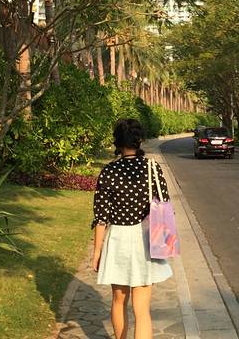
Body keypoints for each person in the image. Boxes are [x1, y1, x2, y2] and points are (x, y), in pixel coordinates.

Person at [92, 118, 173, 339]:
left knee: (118, 301)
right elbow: (164, 203)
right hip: (145, 240)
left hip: (118, 239)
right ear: (140, 140)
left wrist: (97, 252)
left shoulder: (109, 171)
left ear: (117, 142)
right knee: (142, 309)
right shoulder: (152, 168)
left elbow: (101, 218)